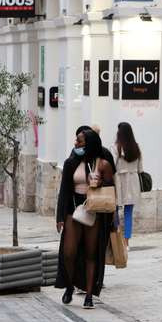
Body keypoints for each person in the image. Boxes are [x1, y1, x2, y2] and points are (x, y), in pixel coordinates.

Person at [55, 129, 115, 309]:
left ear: (89, 144)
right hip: (74, 210)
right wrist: (60, 217)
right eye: (76, 140)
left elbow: (111, 189)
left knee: (91, 254)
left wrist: (99, 183)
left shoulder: (102, 163)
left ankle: (89, 295)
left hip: (94, 210)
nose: (76, 144)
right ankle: (69, 285)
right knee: (69, 252)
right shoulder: (71, 163)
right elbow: (64, 191)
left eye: (80, 141)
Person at [111, 122, 143, 247]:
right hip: (133, 182)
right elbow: (140, 169)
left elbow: (112, 166)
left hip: (119, 181)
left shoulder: (115, 148)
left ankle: (118, 241)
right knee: (128, 213)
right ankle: (126, 242)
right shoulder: (137, 148)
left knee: (115, 211)